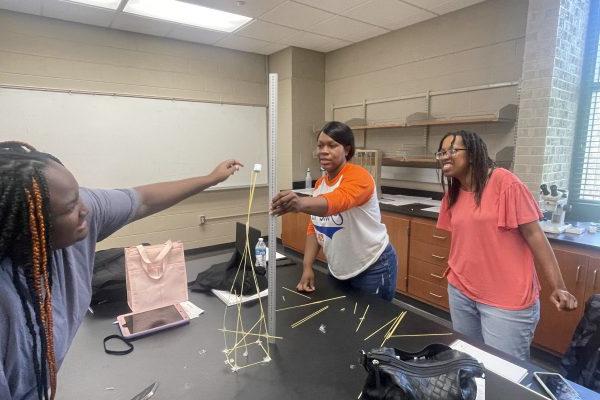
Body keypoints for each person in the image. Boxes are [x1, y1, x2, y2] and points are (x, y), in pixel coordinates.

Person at [0, 141, 242, 400]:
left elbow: (142, 201)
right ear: (28, 228)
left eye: (79, 195)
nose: (86, 209)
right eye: (71, 208)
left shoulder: (81, 212)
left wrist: (211, 179)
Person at [435, 130, 577, 360]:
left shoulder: (504, 182)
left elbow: (535, 236)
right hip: (461, 290)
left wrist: (558, 286)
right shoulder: (453, 193)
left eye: (453, 150)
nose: (445, 156)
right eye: (441, 152)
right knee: (467, 361)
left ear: (472, 154)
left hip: (506, 300)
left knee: (504, 374)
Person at [270, 121, 397, 301]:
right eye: (320, 145)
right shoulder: (320, 184)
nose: (324, 150)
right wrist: (307, 267)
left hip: (373, 266)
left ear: (346, 149)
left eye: (332, 145)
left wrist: (300, 203)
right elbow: (315, 227)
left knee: (372, 325)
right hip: (339, 270)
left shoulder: (359, 176)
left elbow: (338, 201)